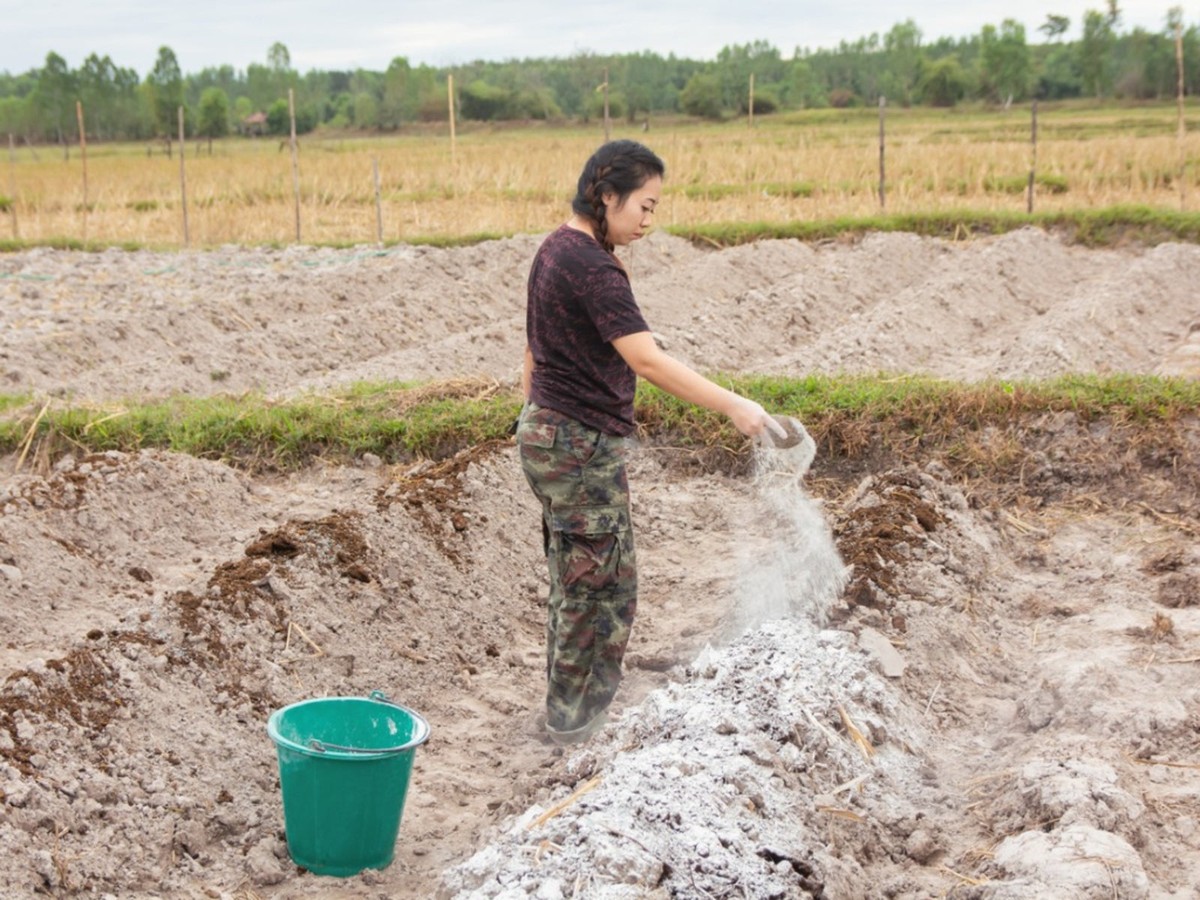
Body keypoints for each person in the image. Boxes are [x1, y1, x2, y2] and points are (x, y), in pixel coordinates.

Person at [517, 139, 784, 745]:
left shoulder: (554, 250)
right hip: (576, 445)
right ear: (606, 195)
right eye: (644, 205)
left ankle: (565, 711)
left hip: (548, 432)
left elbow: (535, 348)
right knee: (605, 589)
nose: (648, 221)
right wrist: (735, 405)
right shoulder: (594, 266)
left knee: (574, 577)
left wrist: (536, 418)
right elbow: (647, 362)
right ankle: (577, 725)